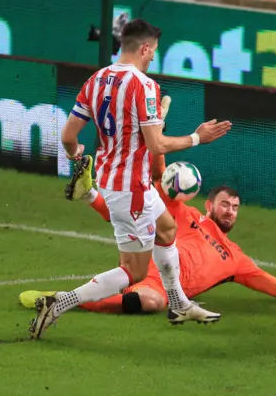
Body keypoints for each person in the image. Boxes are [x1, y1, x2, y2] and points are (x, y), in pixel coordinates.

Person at [29, 18, 232, 339]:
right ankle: (59, 303)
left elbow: (69, 136)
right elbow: (157, 145)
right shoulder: (145, 86)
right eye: (153, 53)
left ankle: (178, 303)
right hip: (131, 189)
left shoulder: (95, 80)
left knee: (167, 229)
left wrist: (75, 154)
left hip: (114, 179)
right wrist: (197, 138)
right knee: (134, 271)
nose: (153, 59)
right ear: (145, 48)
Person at [20, 153, 276, 315]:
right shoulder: (186, 215)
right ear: (208, 205)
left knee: (150, 302)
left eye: (235, 208)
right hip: (151, 269)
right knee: (140, 218)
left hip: (160, 289)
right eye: (224, 205)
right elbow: (153, 192)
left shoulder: (237, 260)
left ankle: (64, 297)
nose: (229, 211)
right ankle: (66, 298)